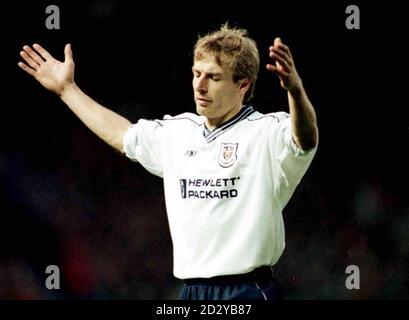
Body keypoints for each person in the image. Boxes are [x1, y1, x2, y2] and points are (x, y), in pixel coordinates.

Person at [18, 24, 318, 300]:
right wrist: (67, 90)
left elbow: (305, 140)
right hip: (191, 292)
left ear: (242, 85)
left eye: (213, 77)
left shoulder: (266, 132)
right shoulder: (178, 132)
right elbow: (122, 134)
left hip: (247, 290)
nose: (199, 86)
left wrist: (296, 91)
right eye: (196, 73)